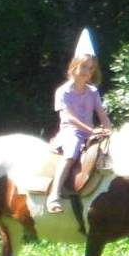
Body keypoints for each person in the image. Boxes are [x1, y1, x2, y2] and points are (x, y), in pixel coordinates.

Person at [46, 52, 112, 214]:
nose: (87, 71)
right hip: (71, 131)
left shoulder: (92, 91)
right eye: (83, 66)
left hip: (90, 133)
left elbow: (101, 114)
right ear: (74, 66)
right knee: (71, 153)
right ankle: (54, 195)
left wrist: (109, 130)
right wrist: (91, 130)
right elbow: (69, 117)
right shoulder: (63, 91)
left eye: (91, 68)